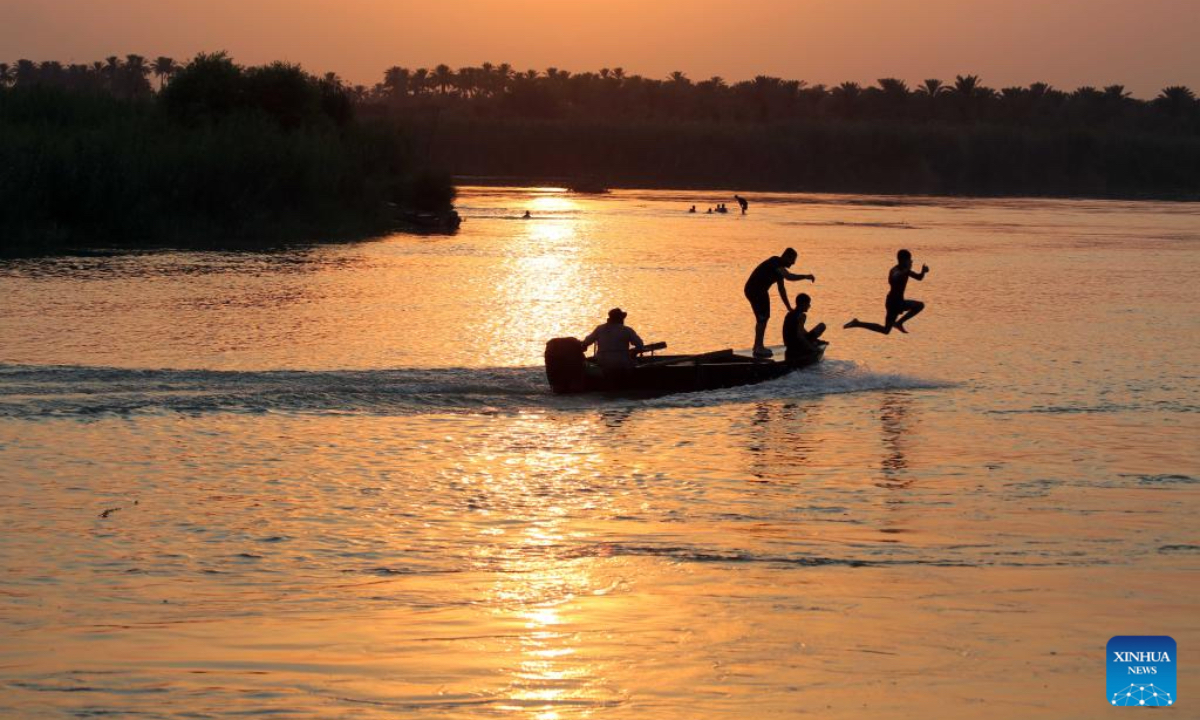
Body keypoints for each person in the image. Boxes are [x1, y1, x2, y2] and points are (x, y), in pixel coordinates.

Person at [744, 247, 815, 358]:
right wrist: (805, 276)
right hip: (755, 290)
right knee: (762, 318)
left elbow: (782, 290)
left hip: (759, 291)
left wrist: (788, 307)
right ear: (787, 256)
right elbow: (789, 276)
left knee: (763, 318)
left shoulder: (779, 269)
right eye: (792, 260)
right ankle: (758, 347)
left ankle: (757, 346)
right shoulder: (775, 261)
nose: (793, 263)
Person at [844, 249, 929, 334]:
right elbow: (895, 276)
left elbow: (919, 278)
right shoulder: (895, 270)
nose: (911, 261)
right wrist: (906, 270)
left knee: (919, 306)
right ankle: (858, 323)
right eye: (909, 260)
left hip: (900, 302)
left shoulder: (906, 271)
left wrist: (923, 272)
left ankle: (898, 323)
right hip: (893, 303)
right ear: (903, 260)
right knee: (886, 330)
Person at [782, 293, 826, 364]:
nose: (809, 306)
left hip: (789, 345)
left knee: (811, 338)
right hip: (797, 346)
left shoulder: (789, 314)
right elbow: (800, 335)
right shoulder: (802, 316)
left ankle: (813, 342)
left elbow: (800, 330)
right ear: (803, 304)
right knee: (822, 326)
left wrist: (816, 340)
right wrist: (812, 348)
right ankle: (810, 344)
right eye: (808, 304)